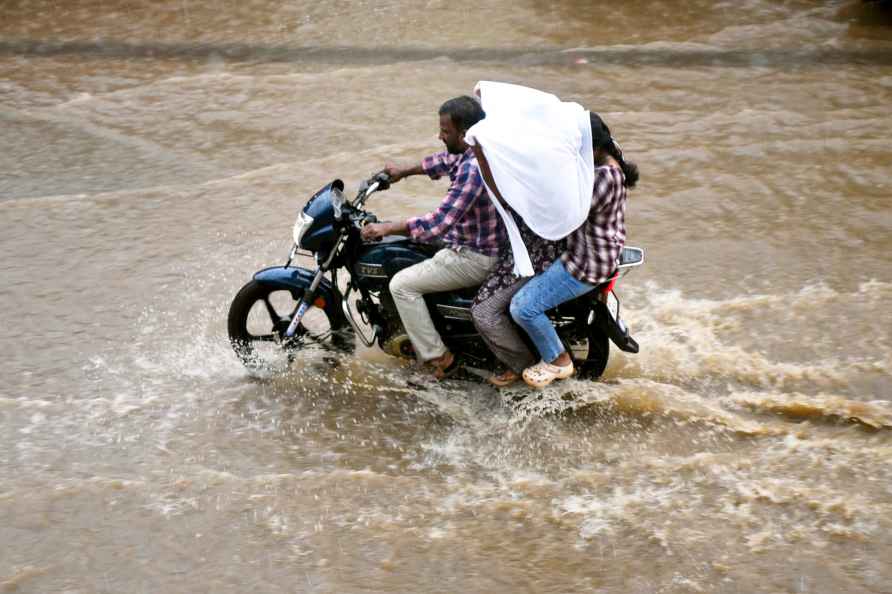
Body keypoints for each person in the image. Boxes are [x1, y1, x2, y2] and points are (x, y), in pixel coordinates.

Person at [361, 96, 505, 379]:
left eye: (445, 131)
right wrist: (403, 171)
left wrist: (387, 227)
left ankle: (439, 359)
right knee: (412, 246)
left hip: (477, 255)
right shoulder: (476, 152)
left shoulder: (473, 170)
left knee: (402, 285)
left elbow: (438, 223)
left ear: (464, 134)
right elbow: (444, 160)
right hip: (473, 240)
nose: (440, 136)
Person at [509, 112, 639, 388]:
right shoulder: (610, 153)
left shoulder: (604, 178)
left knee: (523, 308)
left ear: (594, 147)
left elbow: (565, 211)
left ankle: (557, 359)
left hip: (586, 263)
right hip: (600, 247)